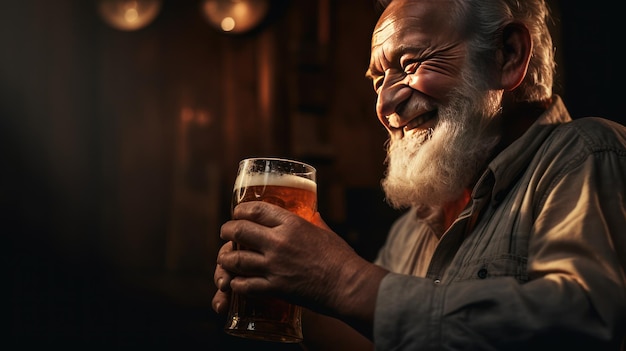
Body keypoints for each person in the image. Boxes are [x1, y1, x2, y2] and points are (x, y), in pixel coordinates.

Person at [212, 0, 626, 349]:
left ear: (508, 56)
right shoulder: (414, 225)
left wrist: (341, 278)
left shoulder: (585, 152)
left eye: (410, 63)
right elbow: (380, 339)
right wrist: (293, 291)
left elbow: (586, 322)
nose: (385, 104)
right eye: (378, 81)